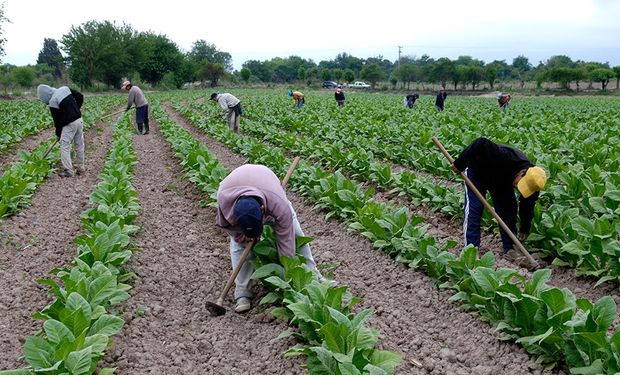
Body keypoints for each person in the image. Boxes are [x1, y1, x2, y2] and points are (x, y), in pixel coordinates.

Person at [216, 164, 323, 313]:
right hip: (236, 188)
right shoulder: (224, 199)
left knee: (297, 234)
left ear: (263, 211)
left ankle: (313, 276)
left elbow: (286, 239)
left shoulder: (277, 203)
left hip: (267, 186)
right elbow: (225, 225)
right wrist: (240, 235)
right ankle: (242, 293)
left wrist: (290, 271)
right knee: (238, 246)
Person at [451, 137, 547, 259]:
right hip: (478, 171)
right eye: (520, 184)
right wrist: (460, 163)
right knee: (475, 208)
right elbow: (480, 142)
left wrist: (524, 228)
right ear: (522, 172)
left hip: (502, 180)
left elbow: (527, 207)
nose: (518, 188)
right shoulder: (504, 157)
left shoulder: (534, 183)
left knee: (508, 210)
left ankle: (510, 247)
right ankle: (471, 250)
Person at [37, 84, 85, 177]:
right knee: (79, 144)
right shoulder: (65, 89)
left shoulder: (52, 101)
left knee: (65, 146)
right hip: (79, 120)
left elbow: (57, 121)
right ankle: (81, 167)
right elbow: (80, 96)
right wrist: (76, 110)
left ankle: (69, 171)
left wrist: (58, 134)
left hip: (69, 125)